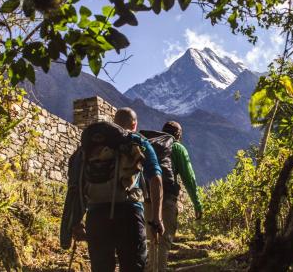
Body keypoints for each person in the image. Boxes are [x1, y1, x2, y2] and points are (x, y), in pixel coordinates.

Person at [61, 107, 164, 272]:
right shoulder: (136, 141)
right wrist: (157, 218)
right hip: (129, 213)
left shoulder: (90, 147)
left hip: (96, 215)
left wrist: (75, 222)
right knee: (133, 267)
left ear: (114, 123)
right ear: (134, 124)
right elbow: (156, 178)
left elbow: (75, 184)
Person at [144, 121, 203, 272]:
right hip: (167, 199)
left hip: (146, 200)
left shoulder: (149, 145)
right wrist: (197, 204)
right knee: (163, 242)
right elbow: (189, 178)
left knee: (150, 242)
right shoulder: (177, 148)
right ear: (178, 134)